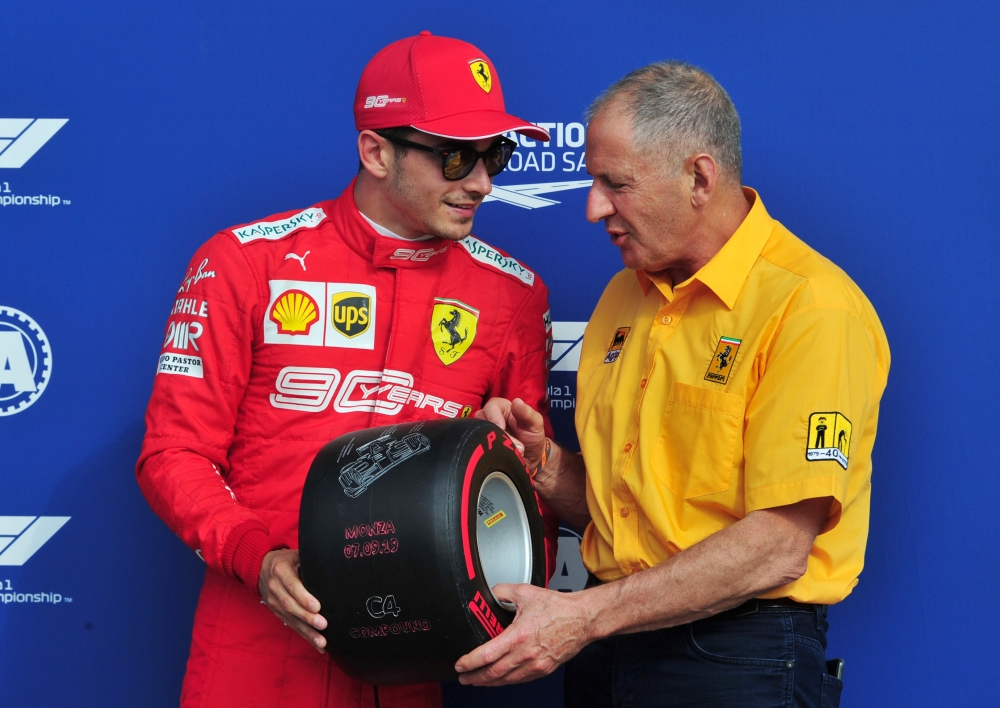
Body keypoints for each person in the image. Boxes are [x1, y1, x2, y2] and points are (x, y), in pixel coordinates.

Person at [136, 32, 558, 708]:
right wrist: (259, 557)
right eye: (455, 157)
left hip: (414, 662)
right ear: (375, 151)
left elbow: (522, 502)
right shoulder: (246, 262)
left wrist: (509, 461)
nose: (481, 182)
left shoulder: (513, 294)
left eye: (494, 156)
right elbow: (172, 455)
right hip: (252, 647)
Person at [457, 61, 891, 708]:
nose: (592, 207)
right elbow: (628, 518)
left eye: (616, 184)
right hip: (608, 648)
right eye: (592, 181)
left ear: (699, 177)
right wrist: (543, 465)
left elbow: (777, 546)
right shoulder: (620, 298)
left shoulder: (811, 308)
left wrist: (583, 617)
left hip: (736, 657)